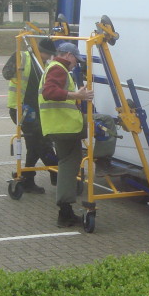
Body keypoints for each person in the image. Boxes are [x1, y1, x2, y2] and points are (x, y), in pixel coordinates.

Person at [40, 40, 93, 227]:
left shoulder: (53, 67)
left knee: (67, 165)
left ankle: (66, 210)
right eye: (75, 60)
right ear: (68, 56)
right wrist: (76, 96)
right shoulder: (59, 69)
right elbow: (49, 91)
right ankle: (65, 212)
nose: (76, 64)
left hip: (60, 127)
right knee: (68, 166)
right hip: (64, 128)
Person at [2, 37, 58, 193]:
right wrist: (16, 66)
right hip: (21, 110)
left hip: (37, 111)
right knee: (42, 143)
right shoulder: (23, 57)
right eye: (48, 55)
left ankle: (28, 179)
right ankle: (56, 172)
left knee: (34, 145)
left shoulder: (44, 66)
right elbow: (6, 73)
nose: (49, 58)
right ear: (42, 52)